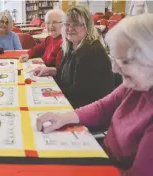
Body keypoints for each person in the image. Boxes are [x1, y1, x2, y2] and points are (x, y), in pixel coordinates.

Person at [36, 14, 153, 176]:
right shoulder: (136, 85)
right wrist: (63, 117)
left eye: (125, 62)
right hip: (103, 154)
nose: (114, 70)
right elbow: (103, 108)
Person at [32, 6, 114, 108]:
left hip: (91, 110)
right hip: (78, 103)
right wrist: (52, 71)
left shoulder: (91, 51)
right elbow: (69, 75)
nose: (70, 28)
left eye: (76, 24)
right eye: (67, 24)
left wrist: (48, 92)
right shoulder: (71, 45)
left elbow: (78, 94)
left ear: (87, 27)